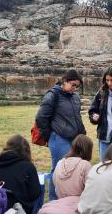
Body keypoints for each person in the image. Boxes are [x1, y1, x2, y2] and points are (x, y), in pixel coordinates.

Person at [35, 70, 86, 201]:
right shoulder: (53, 95)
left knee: (73, 171)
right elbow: (41, 117)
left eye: (77, 86)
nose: (74, 89)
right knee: (58, 171)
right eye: (73, 85)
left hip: (75, 139)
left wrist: (82, 134)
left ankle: (69, 199)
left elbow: (77, 117)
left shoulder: (74, 97)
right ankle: (53, 201)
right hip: (59, 138)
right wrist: (49, 137)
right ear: (64, 81)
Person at [38, 134, 93, 214]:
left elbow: (55, 183)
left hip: (60, 203)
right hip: (78, 206)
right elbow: (90, 190)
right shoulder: (85, 165)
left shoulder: (60, 163)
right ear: (88, 150)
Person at [0, 135, 41, 214]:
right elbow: (35, 194)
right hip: (19, 208)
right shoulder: (28, 167)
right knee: (40, 193)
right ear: (26, 151)